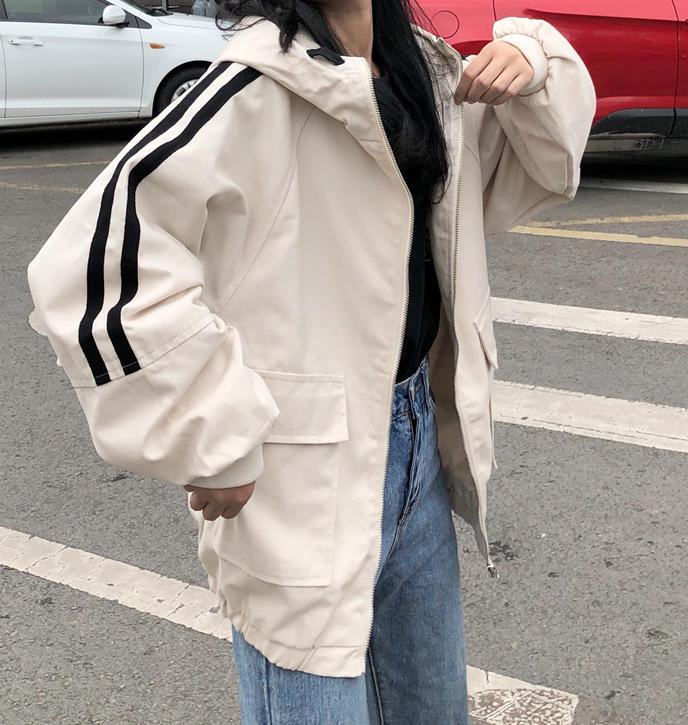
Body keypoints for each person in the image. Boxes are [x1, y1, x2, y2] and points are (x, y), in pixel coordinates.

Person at [27, 0, 595, 720]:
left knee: (432, 709)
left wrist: (537, 65)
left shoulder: (424, 72)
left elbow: (533, 172)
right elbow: (93, 274)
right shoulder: (250, 89)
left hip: (417, 447)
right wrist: (210, 432)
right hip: (302, 474)